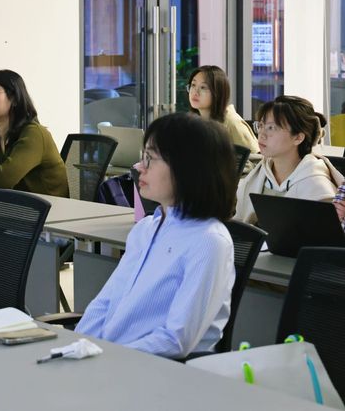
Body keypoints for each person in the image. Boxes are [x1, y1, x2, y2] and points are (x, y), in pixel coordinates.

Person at [76, 112, 236, 359]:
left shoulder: (208, 241)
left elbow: (176, 340)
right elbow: (105, 304)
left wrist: (106, 357)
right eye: (143, 157)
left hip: (155, 370)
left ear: (187, 169)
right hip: (111, 360)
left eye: (150, 159)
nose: (139, 167)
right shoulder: (146, 228)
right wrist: (78, 346)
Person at [0, 69, 69, 197]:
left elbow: (2, 180)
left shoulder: (34, 134)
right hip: (13, 205)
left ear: (14, 98)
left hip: (50, 208)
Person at [234, 95, 344, 225]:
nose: (262, 134)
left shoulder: (317, 187)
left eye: (271, 128)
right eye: (261, 125)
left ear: (298, 138)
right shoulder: (259, 173)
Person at [187, 65, 259, 157]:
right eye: (193, 85)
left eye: (203, 87)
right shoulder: (195, 122)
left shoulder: (232, 123)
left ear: (217, 92)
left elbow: (256, 160)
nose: (195, 92)